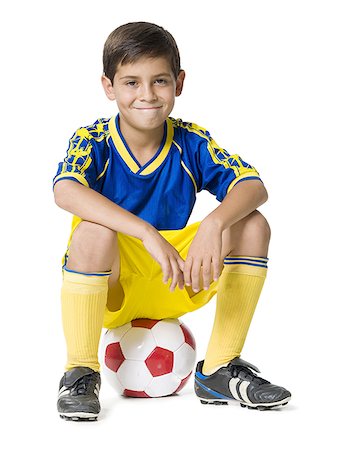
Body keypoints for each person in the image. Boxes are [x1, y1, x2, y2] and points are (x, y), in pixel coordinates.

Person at [53, 21, 291, 421]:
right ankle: (80, 369)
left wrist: (213, 224)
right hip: (113, 284)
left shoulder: (190, 142)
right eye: (131, 82)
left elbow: (253, 185)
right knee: (93, 230)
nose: (147, 95)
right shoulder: (93, 139)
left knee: (253, 223)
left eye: (159, 80)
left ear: (179, 83)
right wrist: (145, 232)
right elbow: (65, 191)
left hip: (177, 274)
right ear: (108, 87)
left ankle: (219, 367)